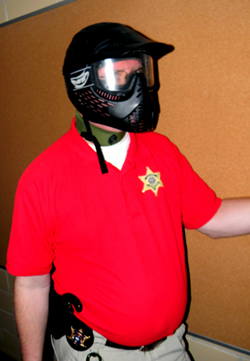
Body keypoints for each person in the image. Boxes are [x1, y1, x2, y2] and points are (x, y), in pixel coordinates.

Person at [6, 22, 250, 361]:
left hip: (171, 347)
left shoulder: (161, 151)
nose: (138, 87)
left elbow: (212, 217)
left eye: (141, 73)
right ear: (83, 82)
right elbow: (32, 284)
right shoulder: (43, 178)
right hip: (95, 352)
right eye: (121, 76)